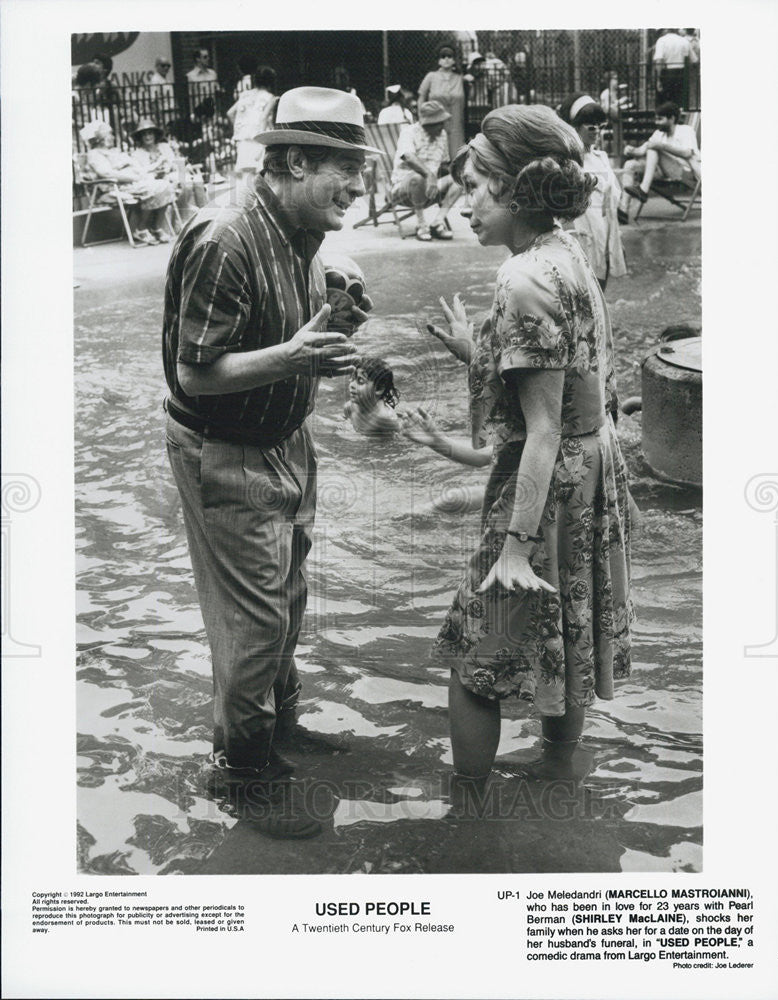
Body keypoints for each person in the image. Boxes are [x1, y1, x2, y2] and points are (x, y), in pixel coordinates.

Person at [162, 87, 378, 837]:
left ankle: (279, 731)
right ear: (291, 160)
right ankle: (243, 773)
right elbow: (196, 372)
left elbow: (294, 320)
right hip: (225, 447)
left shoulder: (300, 230)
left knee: (284, 605)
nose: (357, 188)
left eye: (360, 171)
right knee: (252, 627)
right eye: (342, 171)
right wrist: (294, 354)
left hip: (284, 436)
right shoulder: (225, 237)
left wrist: (331, 310)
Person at [424, 105, 634, 804]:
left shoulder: (518, 279)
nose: (465, 203)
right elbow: (574, 373)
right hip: (591, 465)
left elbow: (540, 427)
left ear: (517, 190)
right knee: (567, 625)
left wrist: (513, 548)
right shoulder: (565, 250)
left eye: (477, 185)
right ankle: (555, 767)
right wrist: (477, 350)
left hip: (549, 477)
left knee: (472, 656)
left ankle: (467, 807)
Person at [557, 94, 626, 283]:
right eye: (590, 126)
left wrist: (616, 236)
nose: (596, 131)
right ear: (575, 127)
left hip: (604, 229)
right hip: (580, 230)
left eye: (599, 126)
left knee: (600, 281)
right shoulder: (567, 161)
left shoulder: (601, 157)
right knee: (583, 283)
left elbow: (612, 196)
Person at [81, 118, 167, 245]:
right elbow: (106, 173)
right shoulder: (95, 154)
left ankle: (156, 227)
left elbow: (137, 168)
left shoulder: (114, 152)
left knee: (165, 186)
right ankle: (141, 229)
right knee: (154, 188)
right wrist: (133, 178)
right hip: (113, 189)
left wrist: (153, 167)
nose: (113, 137)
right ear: (100, 138)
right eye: (109, 134)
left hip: (130, 184)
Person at [389, 101, 463, 242]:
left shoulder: (441, 135)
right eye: (439, 122)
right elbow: (408, 157)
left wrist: (459, 169)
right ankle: (422, 225)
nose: (442, 126)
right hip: (403, 190)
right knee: (418, 177)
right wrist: (429, 175)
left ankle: (437, 222)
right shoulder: (409, 132)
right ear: (428, 123)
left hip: (430, 188)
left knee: (460, 178)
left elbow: (444, 165)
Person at [620, 100, 701, 214]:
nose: (656, 122)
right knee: (630, 165)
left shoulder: (686, 130)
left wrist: (662, 146)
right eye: (656, 119)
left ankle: (643, 190)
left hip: (685, 171)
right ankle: (623, 210)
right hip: (662, 171)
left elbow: (687, 153)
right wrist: (631, 150)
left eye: (660, 119)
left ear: (672, 119)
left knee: (655, 146)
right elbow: (642, 150)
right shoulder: (659, 133)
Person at [130, 117, 179, 243]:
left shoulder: (164, 147)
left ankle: (157, 226)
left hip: (166, 178)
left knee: (174, 183)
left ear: (155, 134)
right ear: (140, 137)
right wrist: (158, 165)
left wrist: (167, 168)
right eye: (144, 134)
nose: (147, 136)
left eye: (150, 133)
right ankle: (143, 228)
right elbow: (141, 172)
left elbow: (173, 163)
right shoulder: (137, 154)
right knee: (160, 188)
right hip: (148, 181)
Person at [227, 64, 277, 181]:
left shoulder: (245, 95)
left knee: (246, 179)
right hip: (260, 138)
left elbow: (230, 113)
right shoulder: (270, 97)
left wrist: (241, 128)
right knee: (263, 177)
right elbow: (264, 118)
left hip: (244, 139)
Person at [417, 44, 466, 158]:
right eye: (443, 57)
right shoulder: (431, 76)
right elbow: (421, 97)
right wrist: (421, 116)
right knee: (436, 153)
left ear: (454, 60)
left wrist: (471, 83)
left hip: (456, 122)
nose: (447, 59)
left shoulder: (459, 77)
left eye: (450, 56)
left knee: (456, 154)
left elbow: (471, 97)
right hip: (435, 122)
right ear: (438, 60)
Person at [343, 357, 400, 435]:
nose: (351, 385)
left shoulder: (385, 419)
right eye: (352, 379)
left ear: (379, 389)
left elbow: (395, 444)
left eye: (360, 381)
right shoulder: (349, 408)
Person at [652, 28, 696, 105]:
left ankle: (667, 115)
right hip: (682, 73)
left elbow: (659, 60)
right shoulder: (684, 41)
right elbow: (694, 60)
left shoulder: (662, 41)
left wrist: (658, 79)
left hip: (667, 73)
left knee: (665, 101)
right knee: (680, 101)